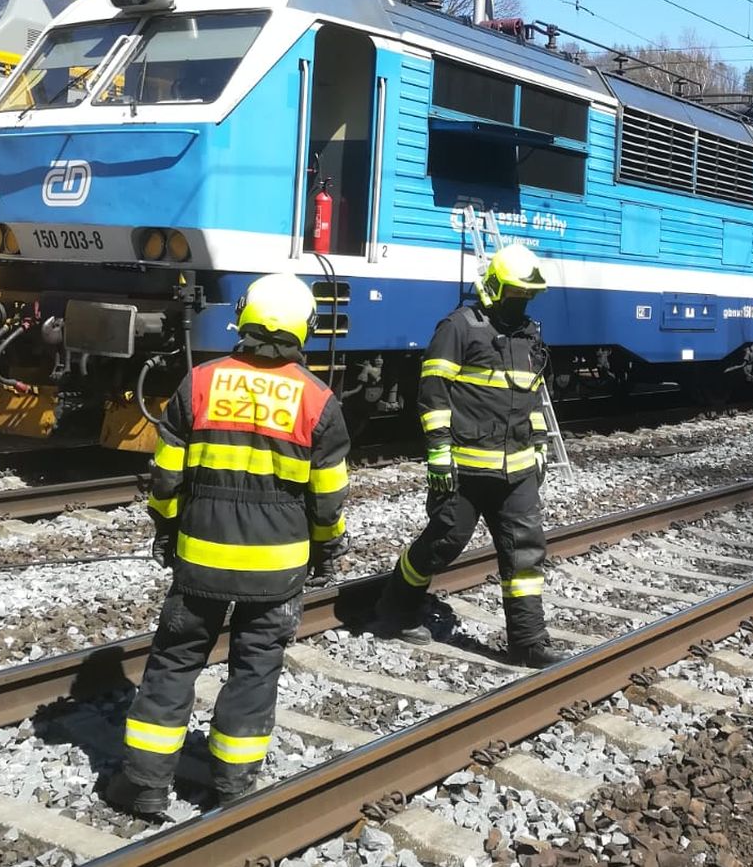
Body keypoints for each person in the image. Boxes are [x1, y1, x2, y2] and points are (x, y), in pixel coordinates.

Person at [104, 273, 351, 818]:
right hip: (279, 568)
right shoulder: (319, 401)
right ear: (304, 329)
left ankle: (144, 784)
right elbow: (328, 499)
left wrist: (167, 532)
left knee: (173, 662)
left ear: (245, 318)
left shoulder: (200, 383)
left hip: (201, 560)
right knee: (255, 667)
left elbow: (165, 479)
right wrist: (327, 550)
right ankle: (234, 785)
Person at [370, 243, 564, 668]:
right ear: (494, 286)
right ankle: (395, 608)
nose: (522, 301)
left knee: (525, 554)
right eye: (516, 292)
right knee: (442, 544)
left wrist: (539, 444)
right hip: (464, 470)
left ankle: (528, 640)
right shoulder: (458, 327)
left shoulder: (529, 335)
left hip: (517, 473)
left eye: (527, 294)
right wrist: (438, 452)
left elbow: (530, 397)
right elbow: (432, 393)